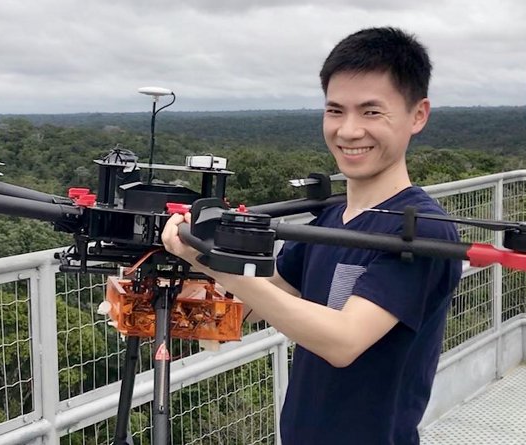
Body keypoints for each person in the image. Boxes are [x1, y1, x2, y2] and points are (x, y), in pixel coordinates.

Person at [161, 27, 463, 445]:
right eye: (335, 110)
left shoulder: (422, 230)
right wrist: (161, 279)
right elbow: (253, 301)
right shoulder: (331, 216)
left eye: (371, 112)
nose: (349, 130)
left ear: (418, 115)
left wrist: (216, 264)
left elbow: (344, 341)